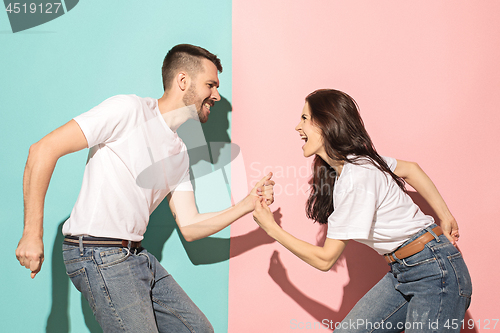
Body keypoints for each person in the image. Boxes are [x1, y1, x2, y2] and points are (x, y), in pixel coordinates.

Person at [15, 44, 274, 333]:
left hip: (134, 256)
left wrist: (247, 205)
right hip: (97, 251)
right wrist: (31, 234)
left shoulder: (180, 152)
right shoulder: (129, 110)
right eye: (210, 84)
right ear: (183, 81)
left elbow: (189, 226)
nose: (216, 95)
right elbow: (42, 150)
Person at [253, 89, 471, 333]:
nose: (297, 127)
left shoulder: (357, 177)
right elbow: (411, 169)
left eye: (304, 118)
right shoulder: (357, 162)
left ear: (326, 122)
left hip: (434, 271)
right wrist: (446, 215)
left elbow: (325, 260)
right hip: (404, 271)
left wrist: (271, 228)